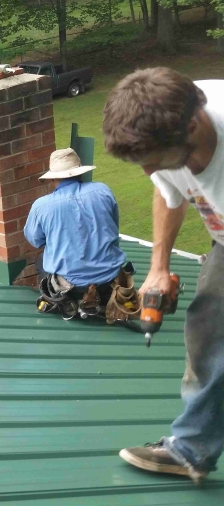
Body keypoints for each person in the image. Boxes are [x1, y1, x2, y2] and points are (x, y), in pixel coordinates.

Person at [103, 67, 224, 484]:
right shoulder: (167, 129)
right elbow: (168, 194)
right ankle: (191, 449)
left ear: (193, 126)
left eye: (155, 162)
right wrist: (158, 266)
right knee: (208, 330)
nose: (148, 172)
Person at [24, 148, 129, 319]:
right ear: (80, 172)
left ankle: (74, 300)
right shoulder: (103, 191)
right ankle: (99, 297)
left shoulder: (41, 206)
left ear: (52, 178)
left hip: (72, 287)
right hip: (109, 280)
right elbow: (112, 227)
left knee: (41, 260)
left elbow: (36, 240)